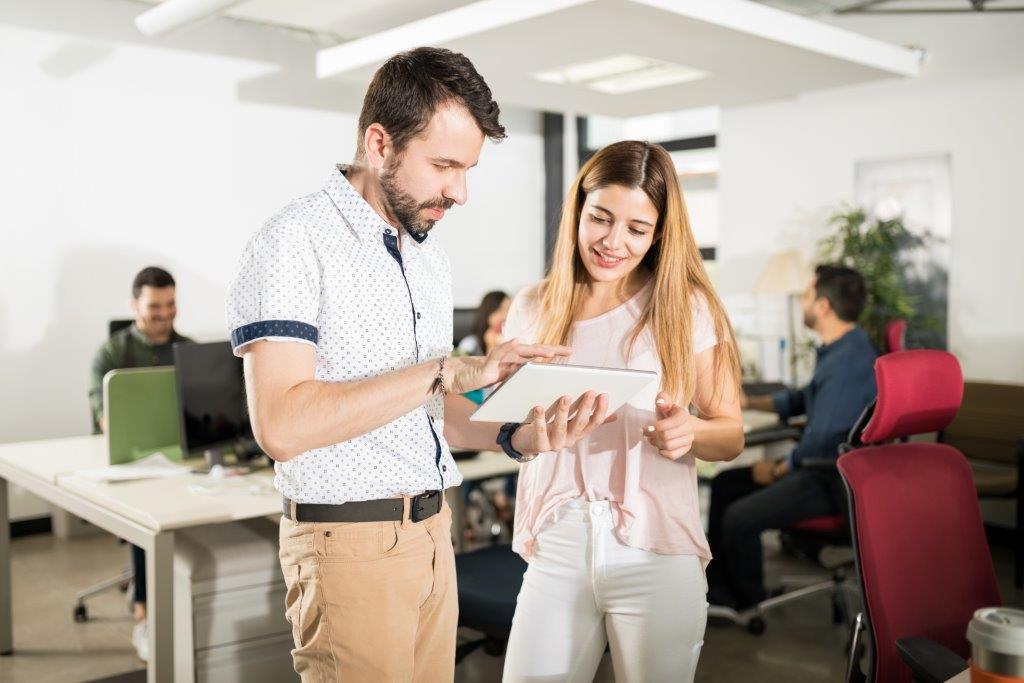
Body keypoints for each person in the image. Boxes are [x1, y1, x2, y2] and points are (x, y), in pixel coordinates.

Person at [226, 47, 605, 681]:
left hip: (434, 535)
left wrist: (521, 435)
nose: (459, 191)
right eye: (444, 165)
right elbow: (281, 426)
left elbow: (439, 421)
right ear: (379, 144)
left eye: (468, 169)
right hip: (348, 547)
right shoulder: (293, 242)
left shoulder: (426, 257)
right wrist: (440, 371)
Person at [499, 140, 744, 682]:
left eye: (636, 228)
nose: (612, 242)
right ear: (577, 213)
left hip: (655, 547)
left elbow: (730, 435)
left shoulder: (686, 307)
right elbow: (507, 423)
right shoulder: (532, 307)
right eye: (600, 219)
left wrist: (691, 432)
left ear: (659, 233)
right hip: (558, 539)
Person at [707, 264, 878, 611]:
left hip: (829, 480)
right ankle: (717, 587)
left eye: (807, 295)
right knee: (726, 483)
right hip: (819, 468)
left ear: (823, 306)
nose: (802, 302)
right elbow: (803, 398)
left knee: (739, 517)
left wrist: (779, 468)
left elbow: (826, 440)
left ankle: (745, 602)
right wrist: (749, 401)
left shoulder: (847, 364)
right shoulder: (844, 348)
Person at [88, 266, 193, 661]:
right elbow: (105, 420)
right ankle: (144, 616)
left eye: (170, 304)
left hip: (183, 462)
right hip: (131, 466)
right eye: (154, 306)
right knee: (146, 514)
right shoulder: (111, 354)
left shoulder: (189, 349)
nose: (164, 313)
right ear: (135, 305)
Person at [457, 290, 510, 358]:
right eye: (500, 309)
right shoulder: (470, 344)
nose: (505, 316)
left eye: (509, 309)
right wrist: (491, 346)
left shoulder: (515, 342)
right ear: (487, 313)